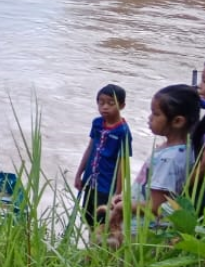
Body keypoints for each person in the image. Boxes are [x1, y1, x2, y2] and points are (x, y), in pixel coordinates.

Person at [105, 84, 199, 247]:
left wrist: (123, 206)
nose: (150, 118)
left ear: (177, 121)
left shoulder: (168, 159)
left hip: (143, 232)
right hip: (147, 229)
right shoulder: (183, 150)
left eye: (156, 114)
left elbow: (157, 207)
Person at [73, 84, 132, 228]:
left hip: (106, 187)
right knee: (88, 218)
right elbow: (90, 148)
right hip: (90, 182)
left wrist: (118, 193)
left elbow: (122, 164)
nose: (104, 107)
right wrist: (79, 174)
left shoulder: (123, 132)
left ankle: (99, 248)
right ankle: (90, 247)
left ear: (122, 105)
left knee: (103, 223)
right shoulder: (97, 123)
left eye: (111, 103)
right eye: (101, 102)